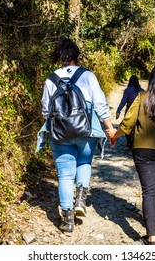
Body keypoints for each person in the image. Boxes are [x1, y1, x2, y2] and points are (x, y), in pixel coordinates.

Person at [40, 39, 115, 235]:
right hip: (86, 130)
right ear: (77, 57)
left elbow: (46, 111)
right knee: (84, 163)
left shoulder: (51, 78)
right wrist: (110, 129)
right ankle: (81, 198)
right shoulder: (88, 75)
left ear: (61, 57)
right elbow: (100, 105)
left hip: (60, 132)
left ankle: (67, 220)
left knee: (65, 175)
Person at [107, 65, 155, 245]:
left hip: (144, 150)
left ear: (152, 81)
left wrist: (114, 135)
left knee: (149, 191)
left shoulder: (142, 98)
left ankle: (152, 238)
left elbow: (128, 123)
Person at [116, 75, 144, 149]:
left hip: (129, 111)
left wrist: (118, 111)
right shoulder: (142, 91)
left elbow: (123, 102)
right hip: (139, 112)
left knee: (127, 126)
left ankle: (129, 142)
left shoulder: (127, 90)